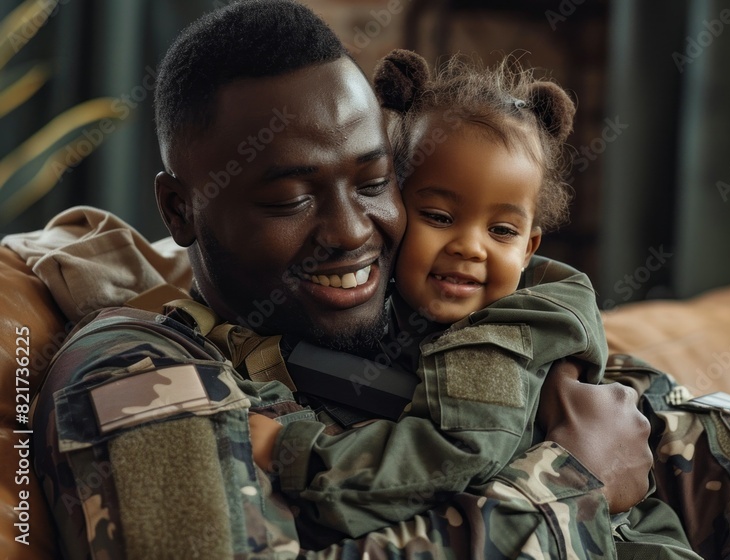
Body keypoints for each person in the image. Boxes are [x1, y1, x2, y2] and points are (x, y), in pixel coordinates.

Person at [30, 1, 653, 559]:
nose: (355, 231)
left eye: (375, 182)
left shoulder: (448, 305)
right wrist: (577, 485)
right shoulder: (135, 373)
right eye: (290, 199)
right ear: (178, 209)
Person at [247, 48, 699, 558]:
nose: (470, 246)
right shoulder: (389, 311)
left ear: (529, 249)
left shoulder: (503, 334)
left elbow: (454, 455)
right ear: (391, 209)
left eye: (501, 230)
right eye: (439, 216)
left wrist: (288, 452)